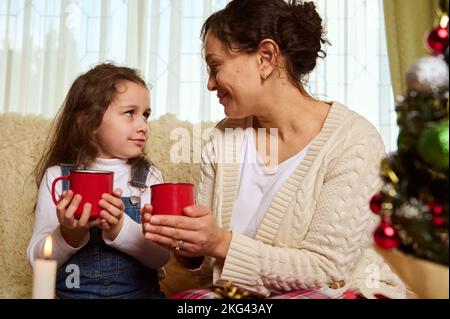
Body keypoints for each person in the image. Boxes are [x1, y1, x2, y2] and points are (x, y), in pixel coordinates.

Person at [141, 0, 406, 299]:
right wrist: (184, 242)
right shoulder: (223, 138)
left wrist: (219, 242)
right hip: (243, 296)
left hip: (337, 291)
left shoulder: (354, 141)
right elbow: (210, 266)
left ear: (265, 57)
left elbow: (327, 270)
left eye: (215, 67)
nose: (210, 84)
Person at [27, 63, 170, 299]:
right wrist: (68, 234)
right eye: (129, 113)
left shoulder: (149, 177)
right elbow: (37, 260)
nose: (143, 126)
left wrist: (119, 228)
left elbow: (161, 257)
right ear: (88, 122)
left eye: (145, 115)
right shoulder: (58, 178)